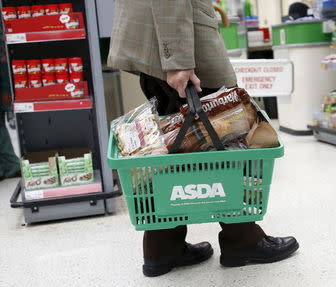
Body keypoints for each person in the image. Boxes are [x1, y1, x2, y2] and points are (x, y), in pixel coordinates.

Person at [108, 0, 299, 277]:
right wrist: (178, 62)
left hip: (158, 41)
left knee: (172, 150)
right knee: (217, 141)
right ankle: (243, 240)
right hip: (181, 48)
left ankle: (163, 247)